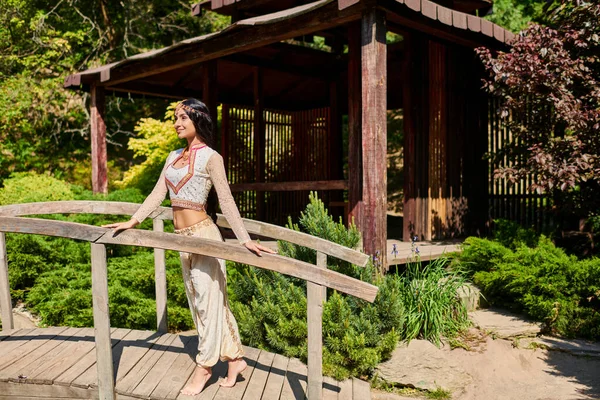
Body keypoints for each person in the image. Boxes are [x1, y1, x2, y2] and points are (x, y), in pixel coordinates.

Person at [103, 98, 275, 395]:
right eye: (175, 117)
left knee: (208, 304)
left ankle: (205, 366)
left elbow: (227, 200)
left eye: (183, 117)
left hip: (206, 237)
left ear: (198, 119)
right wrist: (133, 221)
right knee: (203, 303)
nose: (176, 123)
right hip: (181, 239)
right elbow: (158, 194)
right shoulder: (172, 157)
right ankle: (235, 359)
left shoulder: (212, 158)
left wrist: (244, 238)